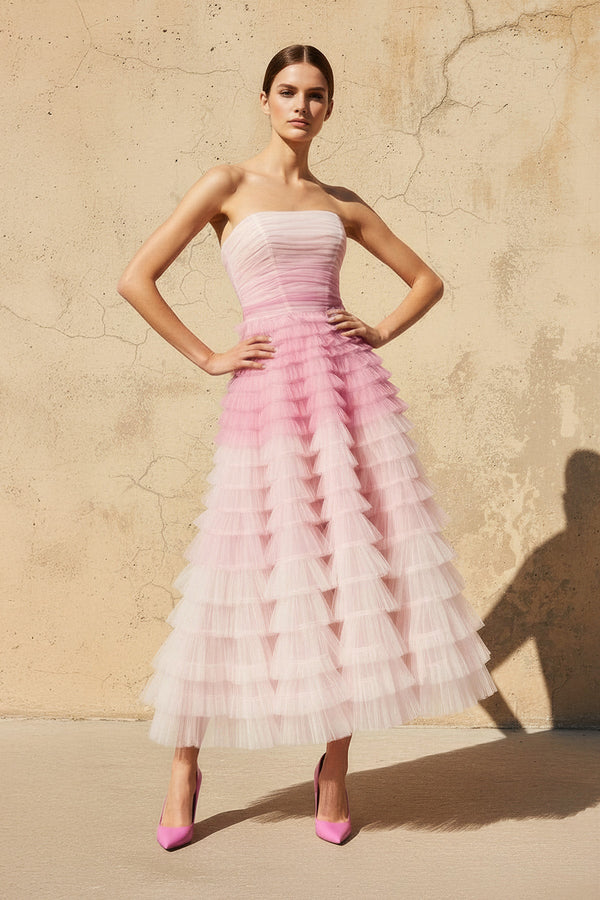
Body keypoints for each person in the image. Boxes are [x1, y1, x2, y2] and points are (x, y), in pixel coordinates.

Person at [117, 44, 497, 850]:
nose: (301, 105)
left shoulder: (341, 202)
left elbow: (426, 279)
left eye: (317, 95)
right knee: (236, 571)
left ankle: (334, 770)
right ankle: (185, 768)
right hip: (267, 397)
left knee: (347, 573)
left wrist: (381, 329)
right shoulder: (224, 185)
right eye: (287, 91)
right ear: (264, 100)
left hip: (348, 394)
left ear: (331, 108)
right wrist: (209, 355)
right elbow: (137, 277)